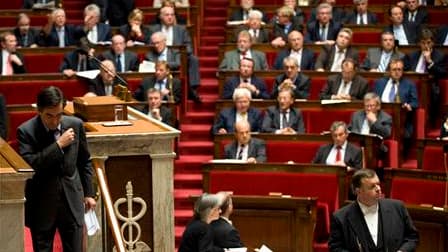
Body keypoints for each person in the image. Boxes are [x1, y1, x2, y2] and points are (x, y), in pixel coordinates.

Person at [17, 86, 96, 252]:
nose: (54, 121)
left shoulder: (75, 124)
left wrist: (89, 193)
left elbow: (84, 161)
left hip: (72, 201)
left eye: (59, 115)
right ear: (39, 111)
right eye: (49, 116)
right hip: (42, 204)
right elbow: (31, 165)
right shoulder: (26, 131)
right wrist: (58, 145)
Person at [328, 169, 419, 251]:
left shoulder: (398, 207)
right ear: (358, 191)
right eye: (372, 187)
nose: (378, 189)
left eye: (378, 184)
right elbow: (335, 248)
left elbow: (412, 237)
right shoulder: (340, 217)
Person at [150, 6, 202, 102]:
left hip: (178, 56)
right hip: (159, 57)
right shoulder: (153, 29)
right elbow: (148, 46)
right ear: (161, 16)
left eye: (172, 15)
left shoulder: (181, 29)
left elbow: (189, 47)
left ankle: (193, 89)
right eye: (167, 15)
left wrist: (178, 52)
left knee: (193, 59)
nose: (170, 17)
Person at [373, 58, 418, 156]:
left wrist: (409, 106)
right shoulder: (380, 83)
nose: (397, 72)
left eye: (399, 69)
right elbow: (372, 99)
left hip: (400, 120)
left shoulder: (409, 84)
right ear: (389, 71)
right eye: (394, 69)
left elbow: (415, 103)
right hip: (380, 117)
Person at [405, 29, 446, 125]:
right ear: (419, 43)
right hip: (411, 86)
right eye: (423, 43)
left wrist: (430, 62)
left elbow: (443, 73)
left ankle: (427, 122)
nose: (426, 46)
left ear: (433, 43)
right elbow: (404, 70)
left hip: (429, 89)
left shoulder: (440, 56)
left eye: (428, 43)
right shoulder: (412, 56)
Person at [349, 92, 392, 157]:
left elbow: (387, 134)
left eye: (371, 106)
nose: (369, 108)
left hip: (375, 147)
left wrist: (375, 121)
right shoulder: (356, 115)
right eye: (366, 106)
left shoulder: (386, 117)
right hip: (358, 145)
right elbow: (350, 129)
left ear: (378, 106)